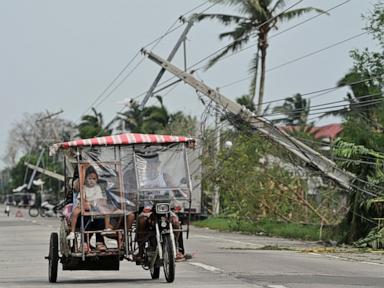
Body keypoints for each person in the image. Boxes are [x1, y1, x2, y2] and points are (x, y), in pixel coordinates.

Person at [135, 153, 185, 261]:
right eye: (149, 164)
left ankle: (175, 248)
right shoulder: (141, 180)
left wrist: (181, 194)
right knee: (142, 220)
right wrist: (135, 196)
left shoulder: (164, 176)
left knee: (176, 221)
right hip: (148, 208)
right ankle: (141, 250)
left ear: (158, 164)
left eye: (154, 164)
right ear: (146, 165)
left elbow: (175, 188)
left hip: (165, 208)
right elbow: (134, 192)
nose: (152, 166)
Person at [66, 165, 111, 252]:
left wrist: (97, 205)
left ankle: (101, 238)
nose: (91, 181)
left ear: (97, 179)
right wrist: (86, 205)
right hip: (84, 207)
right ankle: (82, 240)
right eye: (89, 178)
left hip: (95, 208)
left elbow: (99, 200)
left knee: (102, 214)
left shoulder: (97, 188)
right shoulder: (83, 187)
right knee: (82, 214)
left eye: (94, 179)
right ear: (85, 179)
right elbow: (81, 200)